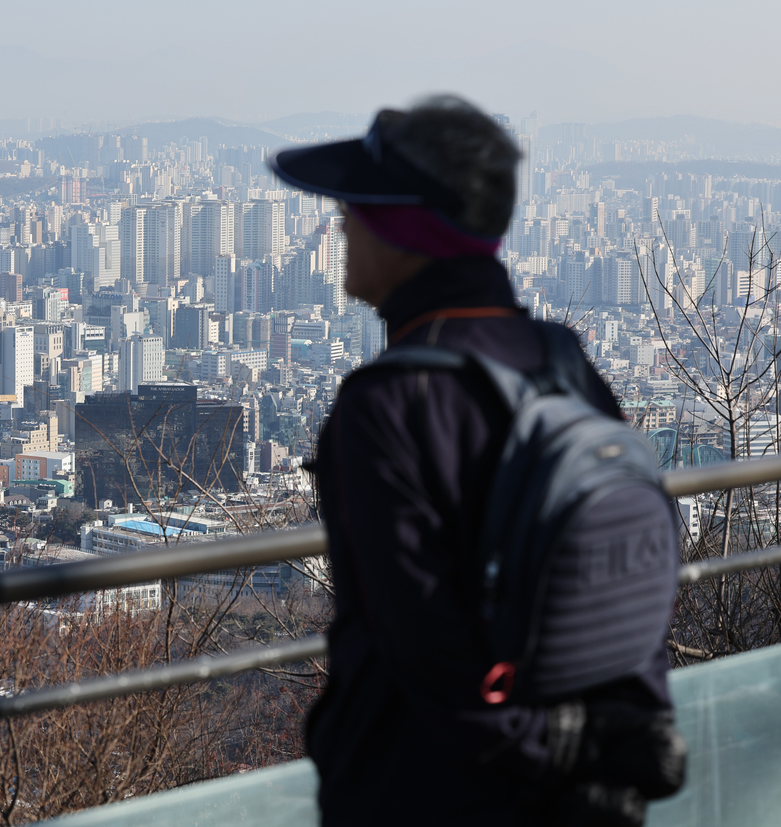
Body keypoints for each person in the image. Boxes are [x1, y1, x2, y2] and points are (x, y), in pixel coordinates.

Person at [269, 96, 683, 826]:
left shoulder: (388, 403)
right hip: (589, 785)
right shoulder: (564, 361)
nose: (339, 224)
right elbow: (627, 568)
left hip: (426, 787)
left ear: (404, 229)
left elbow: (420, 645)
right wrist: (609, 742)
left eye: (356, 209)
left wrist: (548, 748)